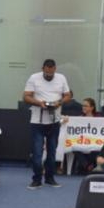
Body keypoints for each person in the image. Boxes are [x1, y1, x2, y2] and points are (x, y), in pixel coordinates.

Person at [23, 58, 70, 188]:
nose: (49, 75)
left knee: (52, 152)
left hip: (54, 120)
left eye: (51, 73)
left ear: (55, 69)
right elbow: (26, 96)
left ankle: (50, 178)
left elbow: (67, 95)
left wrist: (58, 102)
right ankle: (37, 179)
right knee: (37, 152)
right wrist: (39, 103)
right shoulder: (34, 77)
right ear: (42, 69)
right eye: (47, 73)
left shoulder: (61, 78)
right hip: (37, 121)